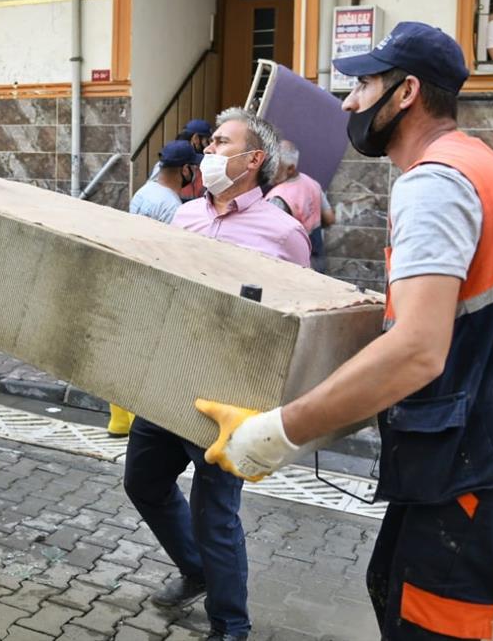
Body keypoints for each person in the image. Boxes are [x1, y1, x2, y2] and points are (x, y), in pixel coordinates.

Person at [196, 21, 493, 641]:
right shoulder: (477, 164)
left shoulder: (435, 183)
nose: (349, 103)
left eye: (363, 85)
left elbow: (417, 350)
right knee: (390, 586)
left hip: (483, 469)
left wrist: (275, 434)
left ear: (407, 92)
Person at [125, 108, 308, 641]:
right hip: (171, 377)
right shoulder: (185, 217)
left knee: (216, 512)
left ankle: (231, 625)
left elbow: (298, 316)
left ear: (254, 160)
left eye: (221, 143)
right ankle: (196, 569)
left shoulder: (283, 232)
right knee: (143, 481)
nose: (207, 153)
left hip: (230, 393)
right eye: (208, 146)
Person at [108, 140, 204, 436]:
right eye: (195, 169)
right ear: (185, 169)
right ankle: (139, 423)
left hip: (134, 277)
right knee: (146, 357)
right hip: (155, 286)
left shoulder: (144, 192)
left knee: (126, 352)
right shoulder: (172, 206)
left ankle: (119, 421)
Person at [265, 140, 334, 272]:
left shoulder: (278, 198)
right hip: (318, 258)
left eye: (274, 165)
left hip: (295, 265)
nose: (268, 170)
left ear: (290, 168)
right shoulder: (312, 183)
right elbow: (330, 218)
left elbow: (268, 241)